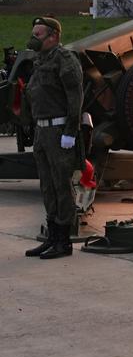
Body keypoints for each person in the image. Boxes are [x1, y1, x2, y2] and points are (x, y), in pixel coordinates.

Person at [23, 16, 84, 260]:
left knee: (62, 186)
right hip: (42, 132)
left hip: (59, 132)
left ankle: (63, 241)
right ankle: (52, 237)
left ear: (54, 37)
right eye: (34, 33)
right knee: (47, 186)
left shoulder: (65, 60)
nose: (33, 39)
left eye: (38, 35)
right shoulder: (40, 60)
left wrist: (70, 132)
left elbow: (75, 98)